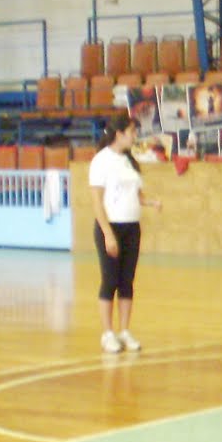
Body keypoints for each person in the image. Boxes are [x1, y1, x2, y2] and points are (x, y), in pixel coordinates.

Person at [89, 111, 162, 353]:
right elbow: (97, 202)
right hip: (111, 227)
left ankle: (124, 331)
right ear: (119, 134)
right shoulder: (101, 161)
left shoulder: (129, 160)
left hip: (132, 227)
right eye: (132, 132)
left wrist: (150, 202)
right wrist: (107, 234)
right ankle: (107, 333)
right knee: (109, 280)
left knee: (127, 281)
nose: (135, 136)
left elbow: (135, 194)